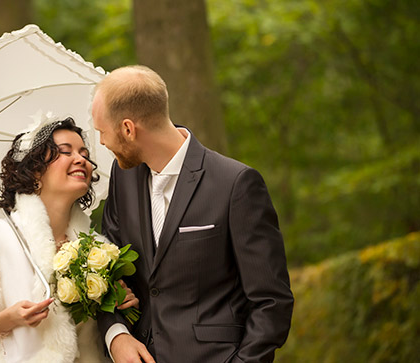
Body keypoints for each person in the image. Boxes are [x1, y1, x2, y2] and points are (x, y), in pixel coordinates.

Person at [92, 65, 294, 363]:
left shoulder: (235, 184)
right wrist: (117, 335)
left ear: (128, 129)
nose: (102, 143)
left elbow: (271, 301)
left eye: (102, 132)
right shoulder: (123, 178)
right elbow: (107, 269)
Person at [0, 113, 137, 362]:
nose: (81, 160)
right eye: (66, 151)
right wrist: (7, 319)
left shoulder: (98, 248)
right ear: (35, 170)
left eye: (84, 154)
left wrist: (121, 302)